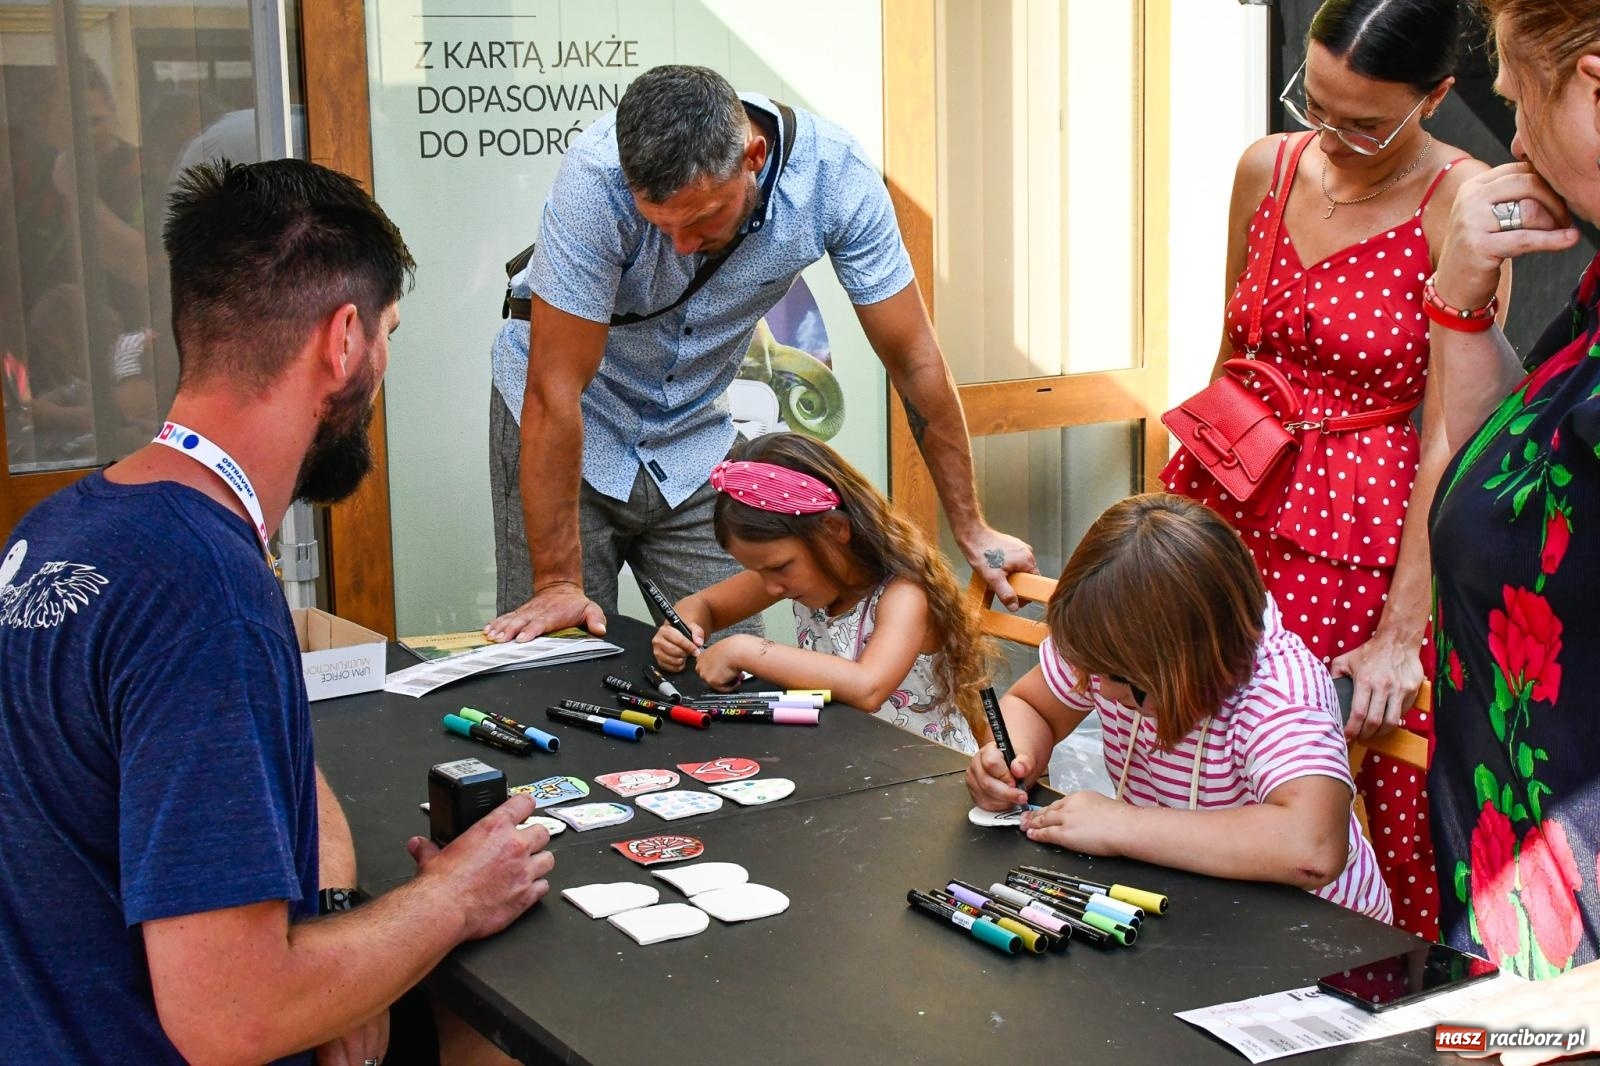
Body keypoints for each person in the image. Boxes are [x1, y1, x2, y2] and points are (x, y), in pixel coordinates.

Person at [0, 159, 553, 1064]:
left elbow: (257, 780)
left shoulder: (64, 530)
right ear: (345, 340)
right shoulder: (205, 594)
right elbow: (231, 1017)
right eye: (388, 334)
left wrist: (333, 917)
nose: (383, 365)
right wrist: (456, 896)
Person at [1160, 0, 1504, 938]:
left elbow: (1454, 431)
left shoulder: (1462, 203)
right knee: (1196, 738)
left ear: (1436, 96)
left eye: (1366, 122)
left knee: (1331, 763)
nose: (1334, 138)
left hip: (1354, 534)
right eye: (1315, 105)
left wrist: (1403, 629)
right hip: (1226, 497)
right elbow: (1229, 352)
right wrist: (1169, 519)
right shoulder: (1266, 166)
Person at [486, 64, 1034, 648]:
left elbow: (915, 360)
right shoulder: (595, 180)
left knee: (732, 667)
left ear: (754, 155)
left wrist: (972, 528)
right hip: (572, 429)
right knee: (559, 656)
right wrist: (557, 582)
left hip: (694, 442)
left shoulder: (833, 176)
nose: (681, 246)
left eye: (702, 219)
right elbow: (554, 390)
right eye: (660, 226)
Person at [1421, 0, 1600, 1037]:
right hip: (1524, 925)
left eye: (1520, 103)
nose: (1517, 141)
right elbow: (1507, 485)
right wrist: (1459, 296)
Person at [966, 493, 1392, 922]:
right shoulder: (1112, 642)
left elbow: (1312, 848)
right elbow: (1032, 705)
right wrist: (1011, 756)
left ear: (1191, 663)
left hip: (1320, 932)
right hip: (1195, 905)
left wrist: (1122, 825)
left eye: (1120, 679)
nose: (1103, 691)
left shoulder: (1278, 693)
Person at [650, 432, 989, 752]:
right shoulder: (802, 574)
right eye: (760, 572)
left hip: (930, 772)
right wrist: (683, 630)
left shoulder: (905, 593)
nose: (771, 587)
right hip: (848, 760)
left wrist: (745, 649)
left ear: (834, 529)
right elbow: (704, 604)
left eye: (779, 567)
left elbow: (868, 687)